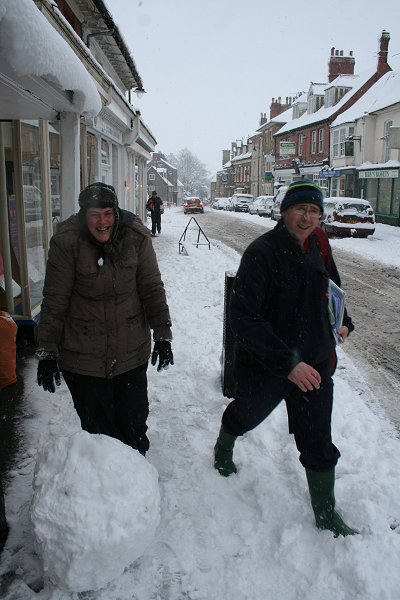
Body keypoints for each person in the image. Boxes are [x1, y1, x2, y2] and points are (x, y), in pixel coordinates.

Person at [213, 179, 358, 537]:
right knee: (247, 415)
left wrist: (343, 323)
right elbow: (243, 318)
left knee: (318, 441)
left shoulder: (319, 245)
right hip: (271, 364)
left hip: (316, 363)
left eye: (314, 211)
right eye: (300, 209)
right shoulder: (262, 252)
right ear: (284, 211)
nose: (308, 218)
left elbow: (331, 290)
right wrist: (288, 364)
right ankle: (224, 446)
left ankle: (326, 514)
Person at [36, 182, 173, 456]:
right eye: (94, 215)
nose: (102, 222)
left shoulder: (135, 238)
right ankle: (103, 492)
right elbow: (54, 301)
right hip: (83, 357)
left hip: (130, 352)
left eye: (108, 213)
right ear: (83, 215)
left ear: (116, 213)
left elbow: (151, 288)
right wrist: (47, 351)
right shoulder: (66, 243)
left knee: (133, 427)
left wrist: (163, 334)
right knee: (99, 434)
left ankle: (136, 488)